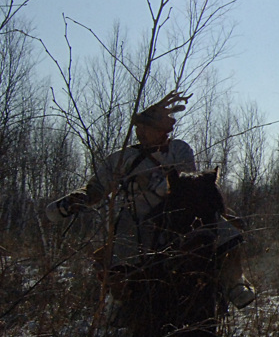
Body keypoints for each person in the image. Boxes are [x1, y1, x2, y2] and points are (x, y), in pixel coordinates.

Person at [46, 90, 255, 311]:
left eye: (146, 128)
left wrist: (153, 185)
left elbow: (186, 181)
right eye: (139, 128)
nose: (140, 132)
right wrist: (78, 199)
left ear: (161, 131)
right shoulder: (121, 158)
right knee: (119, 253)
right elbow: (97, 186)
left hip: (175, 212)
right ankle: (118, 302)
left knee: (226, 232)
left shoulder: (178, 149)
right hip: (135, 217)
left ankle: (234, 285)